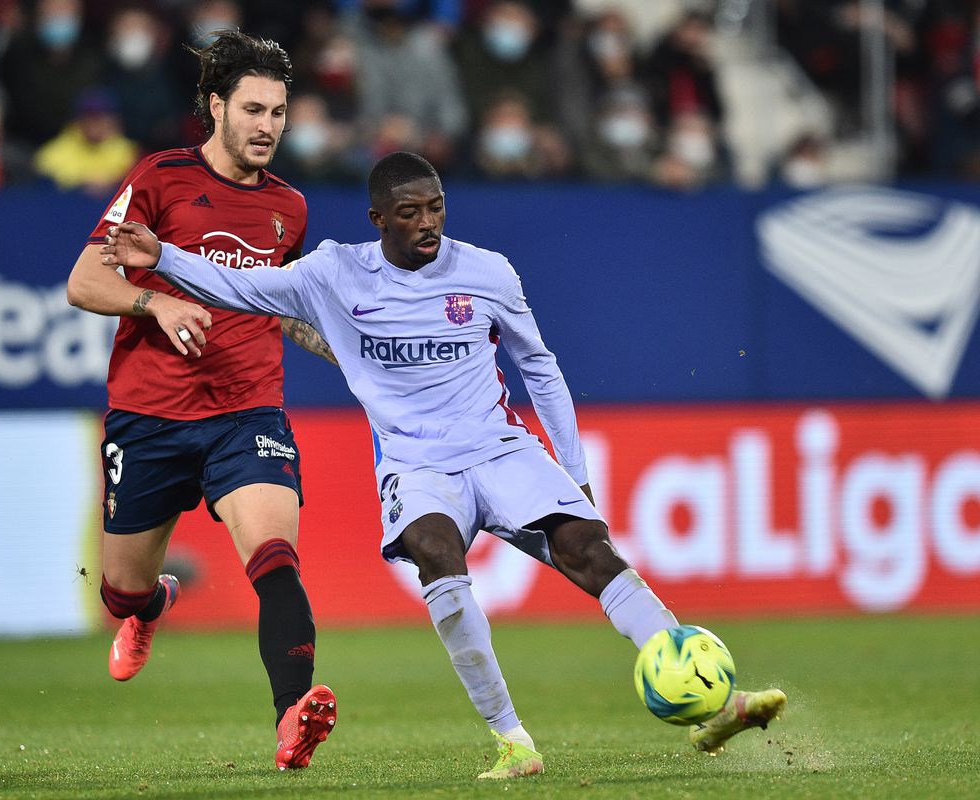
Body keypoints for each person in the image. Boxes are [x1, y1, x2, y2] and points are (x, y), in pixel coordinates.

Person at [98, 151, 789, 779]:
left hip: (498, 447)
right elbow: (236, 286)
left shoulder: (488, 272)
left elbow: (540, 368)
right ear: (378, 219)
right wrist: (163, 256)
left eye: (436, 208)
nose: (427, 223)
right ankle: (513, 741)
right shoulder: (333, 274)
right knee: (435, 553)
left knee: (589, 548)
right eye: (410, 212)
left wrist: (575, 472)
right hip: (416, 464)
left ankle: (716, 702)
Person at [65, 30, 338, 771]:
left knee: (276, 557)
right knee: (120, 589)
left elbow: (282, 307)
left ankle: (292, 718)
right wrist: (154, 302)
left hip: (246, 412)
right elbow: (84, 281)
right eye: (253, 109)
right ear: (216, 106)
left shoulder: (289, 207)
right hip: (149, 416)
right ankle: (151, 606)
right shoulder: (160, 179)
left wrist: (342, 348)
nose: (268, 126)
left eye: (278, 112)